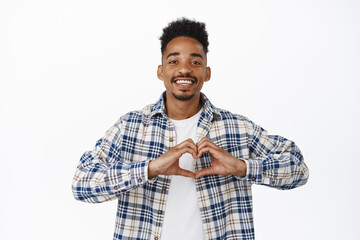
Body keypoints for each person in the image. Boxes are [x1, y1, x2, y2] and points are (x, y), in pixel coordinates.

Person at [72, 17, 309, 240]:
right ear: (161, 71)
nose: (184, 69)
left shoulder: (237, 128)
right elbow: (81, 183)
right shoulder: (130, 127)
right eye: (174, 61)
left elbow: (298, 168)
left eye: (195, 62)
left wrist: (241, 167)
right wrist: (150, 169)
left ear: (206, 73)